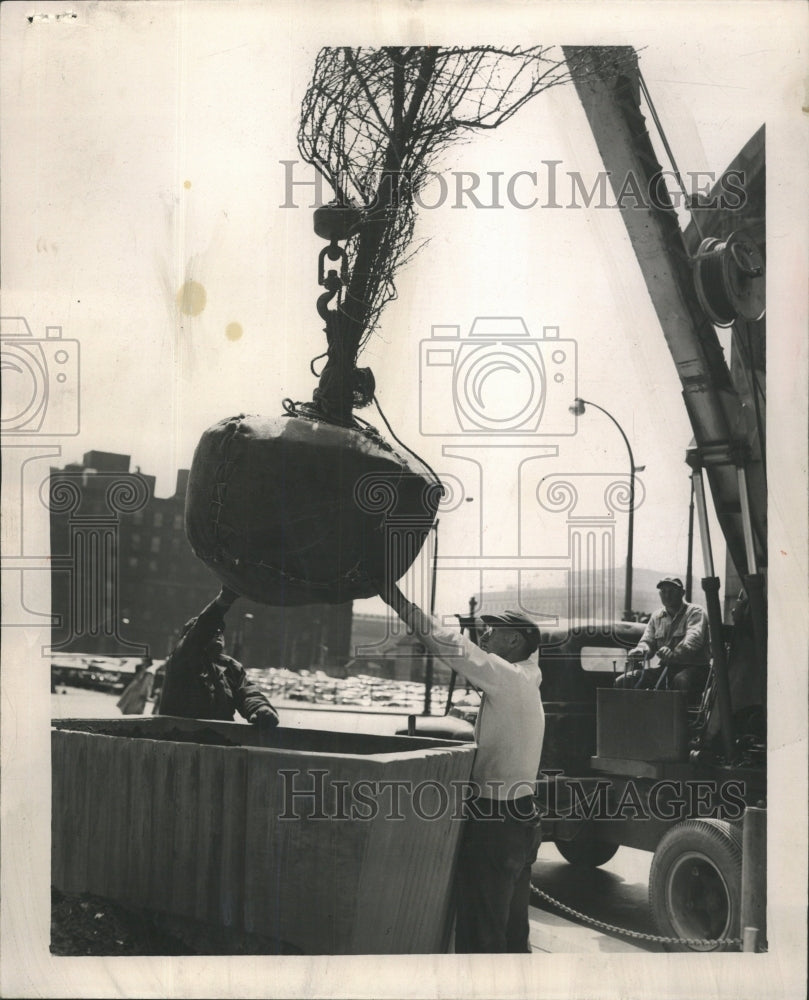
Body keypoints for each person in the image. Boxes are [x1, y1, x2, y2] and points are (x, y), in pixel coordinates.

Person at [377, 578, 544, 954]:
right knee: (513, 931)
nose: (483, 639)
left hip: (495, 819)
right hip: (524, 816)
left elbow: (449, 645)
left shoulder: (507, 677)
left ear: (514, 642)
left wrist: (400, 602)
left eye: (492, 633)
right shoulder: (529, 677)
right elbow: (533, 658)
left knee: (480, 930)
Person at [158, 587, 279, 729]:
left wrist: (260, 708)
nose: (218, 631)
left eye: (221, 630)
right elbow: (202, 629)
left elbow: (247, 693)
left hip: (220, 740)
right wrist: (223, 601)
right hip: (182, 740)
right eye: (212, 629)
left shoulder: (231, 667)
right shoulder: (182, 659)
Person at [616, 576, 711, 698]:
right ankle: (632, 716)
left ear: (682, 593)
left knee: (681, 680)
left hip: (696, 668)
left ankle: (681, 717)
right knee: (624, 680)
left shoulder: (695, 612)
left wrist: (674, 653)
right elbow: (647, 641)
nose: (667, 595)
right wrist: (640, 650)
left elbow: (693, 640)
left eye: (671, 591)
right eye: (663, 591)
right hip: (666, 669)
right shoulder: (657, 616)